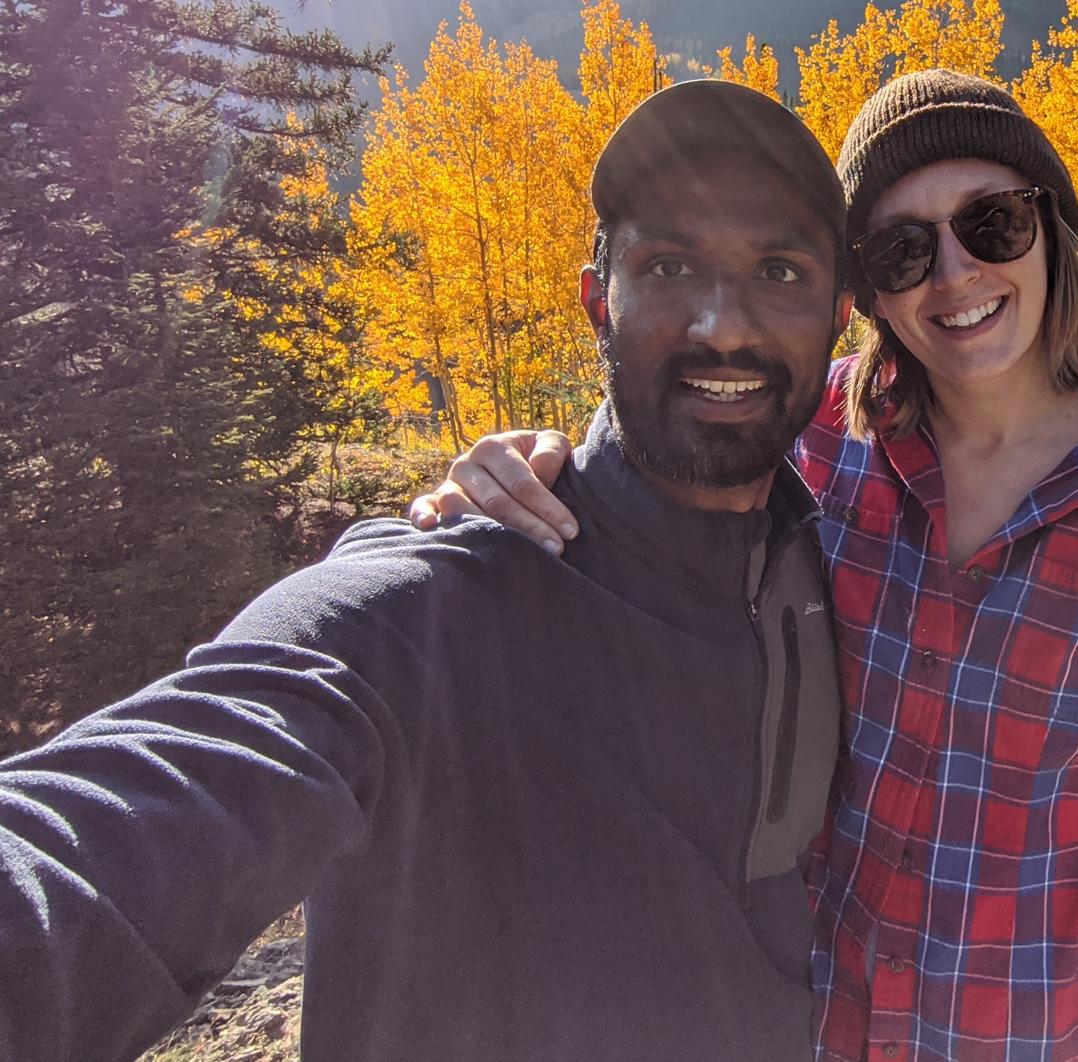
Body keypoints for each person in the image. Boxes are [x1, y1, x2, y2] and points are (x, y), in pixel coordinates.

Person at [417, 70, 1078, 1061]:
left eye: (993, 223)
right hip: (811, 1018)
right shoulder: (812, 433)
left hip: (1047, 1036)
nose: (955, 274)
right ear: (867, 289)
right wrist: (532, 475)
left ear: (1053, 225)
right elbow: (658, 469)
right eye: (903, 248)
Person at [0, 80, 851, 1062]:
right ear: (595, 303)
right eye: (668, 265)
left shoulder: (841, 581)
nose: (723, 326)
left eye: (779, 272)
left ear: (838, 321)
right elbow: (146, 803)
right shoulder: (430, 607)